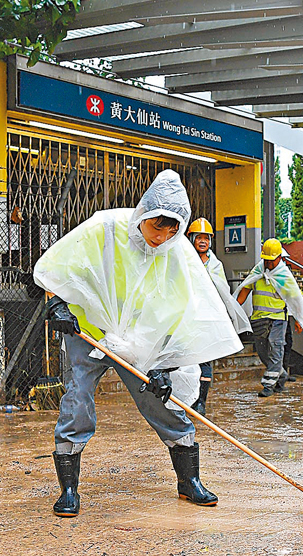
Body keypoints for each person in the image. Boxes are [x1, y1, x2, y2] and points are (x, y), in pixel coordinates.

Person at [34, 170, 243, 517]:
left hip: (140, 342)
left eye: (171, 230)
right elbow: (61, 265)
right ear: (142, 216)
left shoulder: (177, 254)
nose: (161, 238)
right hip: (89, 331)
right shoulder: (105, 228)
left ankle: (188, 480)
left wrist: (165, 363)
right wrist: (56, 304)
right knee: (77, 399)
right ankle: (68, 489)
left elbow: (181, 312)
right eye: (156, 228)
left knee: (161, 401)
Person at [186, 217, 251, 415]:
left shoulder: (216, 265)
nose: (203, 241)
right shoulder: (185, 260)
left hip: (207, 319)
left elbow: (221, 290)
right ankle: (187, 399)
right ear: (192, 239)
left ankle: (201, 403)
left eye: (206, 238)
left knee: (205, 360)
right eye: (199, 238)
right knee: (187, 360)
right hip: (188, 318)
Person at [234, 238, 303, 398]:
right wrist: (233, 309)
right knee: (263, 352)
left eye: (271, 260)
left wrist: (299, 318)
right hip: (258, 319)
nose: (268, 263)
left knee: (276, 348)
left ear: (279, 258)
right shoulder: (257, 271)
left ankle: (268, 385)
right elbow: (245, 290)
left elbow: (294, 297)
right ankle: (280, 374)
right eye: (266, 260)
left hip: (277, 319)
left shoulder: (283, 275)